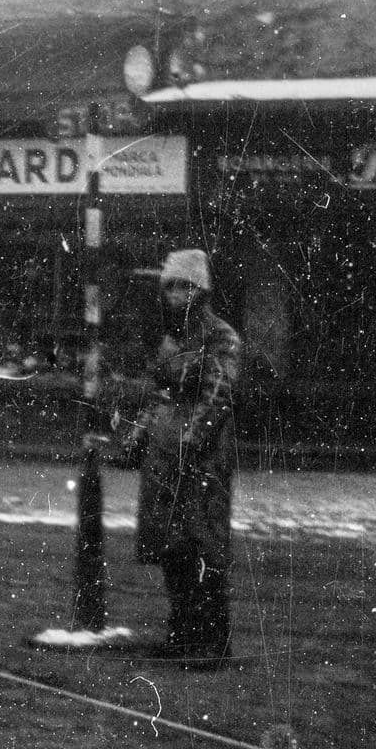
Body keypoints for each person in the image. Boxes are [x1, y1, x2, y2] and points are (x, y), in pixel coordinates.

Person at [118, 249, 243, 665]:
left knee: (203, 543)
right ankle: (182, 634)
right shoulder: (171, 339)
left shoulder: (221, 337)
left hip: (202, 457)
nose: (175, 295)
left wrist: (193, 438)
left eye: (184, 287)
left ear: (201, 290)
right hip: (165, 450)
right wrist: (139, 433)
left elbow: (218, 393)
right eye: (170, 287)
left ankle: (212, 640)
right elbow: (159, 391)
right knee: (171, 545)